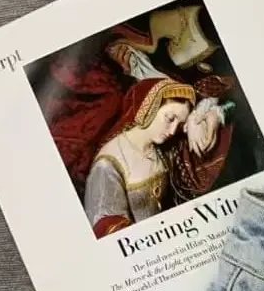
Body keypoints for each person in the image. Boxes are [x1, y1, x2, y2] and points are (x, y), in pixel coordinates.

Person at [83, 76, 226, 237]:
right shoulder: (107, 165)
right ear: (150, 108)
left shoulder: (162, 148)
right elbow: (108, 230)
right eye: (170, 119)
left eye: (179, 124)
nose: (172, 131)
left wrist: (206, 116)